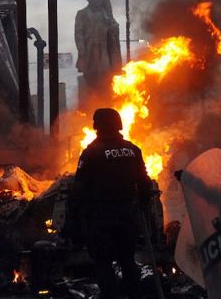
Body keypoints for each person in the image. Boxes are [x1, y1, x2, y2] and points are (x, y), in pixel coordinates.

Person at [72, 108, 151, 299]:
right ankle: (133, 294)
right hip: (127, 215)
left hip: (101, 217)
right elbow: (145, 183)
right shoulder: (133, 150)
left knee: (103, 262)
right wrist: (143, 205)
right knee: (127, 260)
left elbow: (79, 189)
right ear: (118, 125)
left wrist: (76, 219)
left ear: (96, 126)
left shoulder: (91, 153)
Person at [74, 0, 122, 88]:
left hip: (104, 49)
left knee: (106, 75)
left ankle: (104, 96)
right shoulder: (82, 14)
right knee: (91, 76)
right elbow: (78, 33)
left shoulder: (105, 14)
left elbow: (115, 27)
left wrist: (112, 27)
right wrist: (82, 50)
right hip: (89, 49)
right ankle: (94, 99)